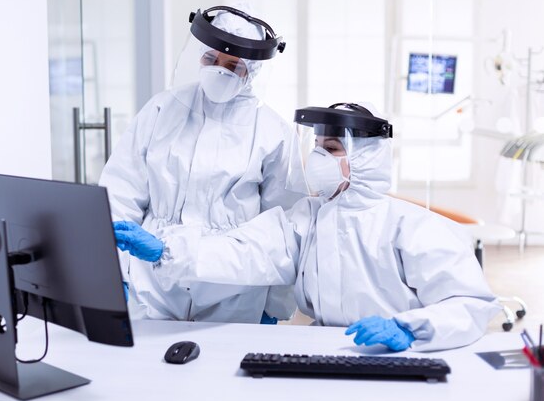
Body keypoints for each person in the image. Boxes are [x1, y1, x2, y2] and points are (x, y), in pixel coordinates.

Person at [116, 102, 501, 351]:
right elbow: (247, 249)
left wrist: (410, 328)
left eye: (332, 149)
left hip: (402, 355)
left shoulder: (411, 227)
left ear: (367, 159)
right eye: (316, 146)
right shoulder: (309, 217)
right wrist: (167, 249)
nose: (318, 156)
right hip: (328, 347)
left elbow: (471, 305)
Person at [100, 5, 307, 324]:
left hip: (232, 287)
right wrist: (112, 271)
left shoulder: (272, 132)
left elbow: (285, 226)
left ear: (251, 71)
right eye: (211, 59)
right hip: (153, 282)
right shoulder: (161, 110)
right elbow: (120, 193)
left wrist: (275, 306)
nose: (219, 70)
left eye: (233, 65)